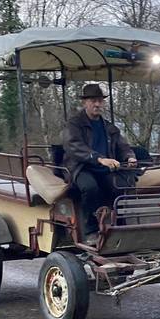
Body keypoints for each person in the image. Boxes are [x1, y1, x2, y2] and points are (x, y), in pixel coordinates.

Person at [61, 83, 138, 243]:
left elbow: (122, 145)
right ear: (84, 103)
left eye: (100, 101)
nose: (97, 104)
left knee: (120, 186)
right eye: (93, 101)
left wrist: (129, 157)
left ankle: (119, 227)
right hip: (80, 168)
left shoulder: (108, 126)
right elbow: (74, 147)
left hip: (104, 169)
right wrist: (100, 159)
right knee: (90, 188)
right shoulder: (74, 124)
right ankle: (91, 231)